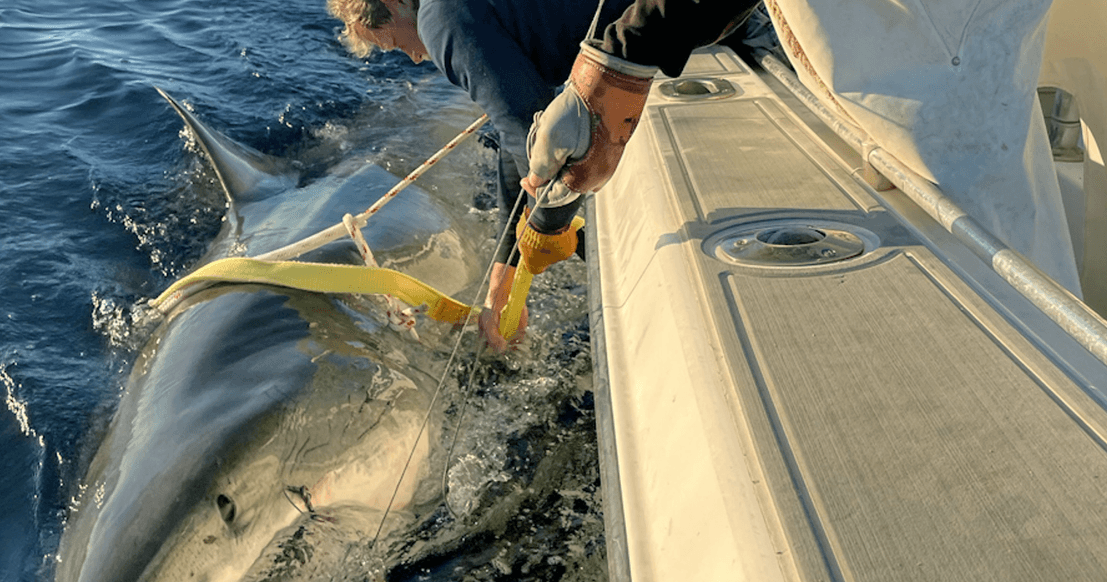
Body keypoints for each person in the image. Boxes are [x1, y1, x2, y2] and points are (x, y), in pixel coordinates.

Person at [526, 0, 1083, 299]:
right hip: (893, 41)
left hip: (938, 37)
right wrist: (611, 52)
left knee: (985, 225)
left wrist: (625, 55)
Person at [325, 0, 759, 351]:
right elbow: (521, 127)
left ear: (393, 3)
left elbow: (530, 138)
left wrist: (550, 233)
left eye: (396, 45)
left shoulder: (440, 21)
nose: (415, 56)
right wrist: (506, 265)